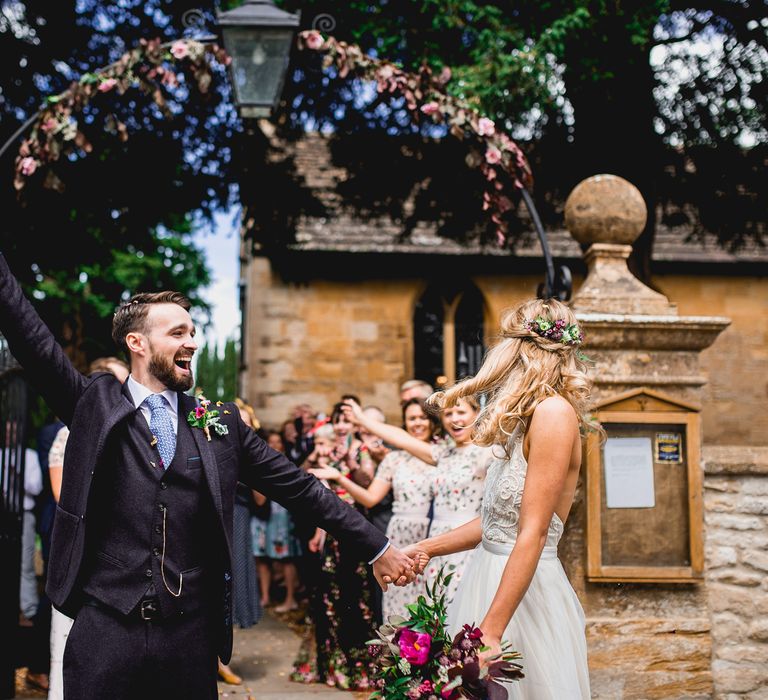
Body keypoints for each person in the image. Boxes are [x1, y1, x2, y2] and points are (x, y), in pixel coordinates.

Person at [0, 254, 415, 700]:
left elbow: (299, 487)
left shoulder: (219, 422)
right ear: (137, 343)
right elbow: (31, 337)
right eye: (177, 332)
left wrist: (377, 546)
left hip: (188, 635)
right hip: (105, 628)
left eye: (193, 332)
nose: (192, 342)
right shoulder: (93, 404)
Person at [404, 299, 594, 699]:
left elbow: (534, 532)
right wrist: (425, 548)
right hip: (487, 578)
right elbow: (495, 522)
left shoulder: (555, 414)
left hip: (522, 597)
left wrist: (491, 632)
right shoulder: (526, 416)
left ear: (525, 349)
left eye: (508, 340)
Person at [343, 395, 492, 602]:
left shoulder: (487, 453)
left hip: (467, 543)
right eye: (448, 414)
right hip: (435, 542)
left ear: (477, 414)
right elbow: (401, 438)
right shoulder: (443, 453)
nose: (454, 419)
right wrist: (361, 418)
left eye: (461, 412)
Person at [310, 397, 440, 621]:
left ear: (432, 422)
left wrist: (361, 419)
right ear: (404, 423)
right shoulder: (394, 459)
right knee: (401, 603)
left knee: (433, 599)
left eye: (422, 418)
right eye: (411, 419)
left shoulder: (442, 454)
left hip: (434, 532)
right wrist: (339, 478)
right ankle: (402, 654)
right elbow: (370, 498)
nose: (417, 423)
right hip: (401, 534)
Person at [46, 356, 130, 700]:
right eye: (119, 384)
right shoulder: (70, 434)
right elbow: (65, 498)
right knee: (69, 650)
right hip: (84, 557)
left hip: (125, 572)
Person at [293, 418, 379, 690]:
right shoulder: (322, 459)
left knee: (354, 597)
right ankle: (331, 665)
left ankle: (357, 666)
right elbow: (315, 496)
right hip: (332, 534)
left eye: (321, 441)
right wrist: (319, 534)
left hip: (355, 532)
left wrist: (347, 466)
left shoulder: (357, 453)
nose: (343, 426)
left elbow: (366, 484)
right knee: (329, 599)